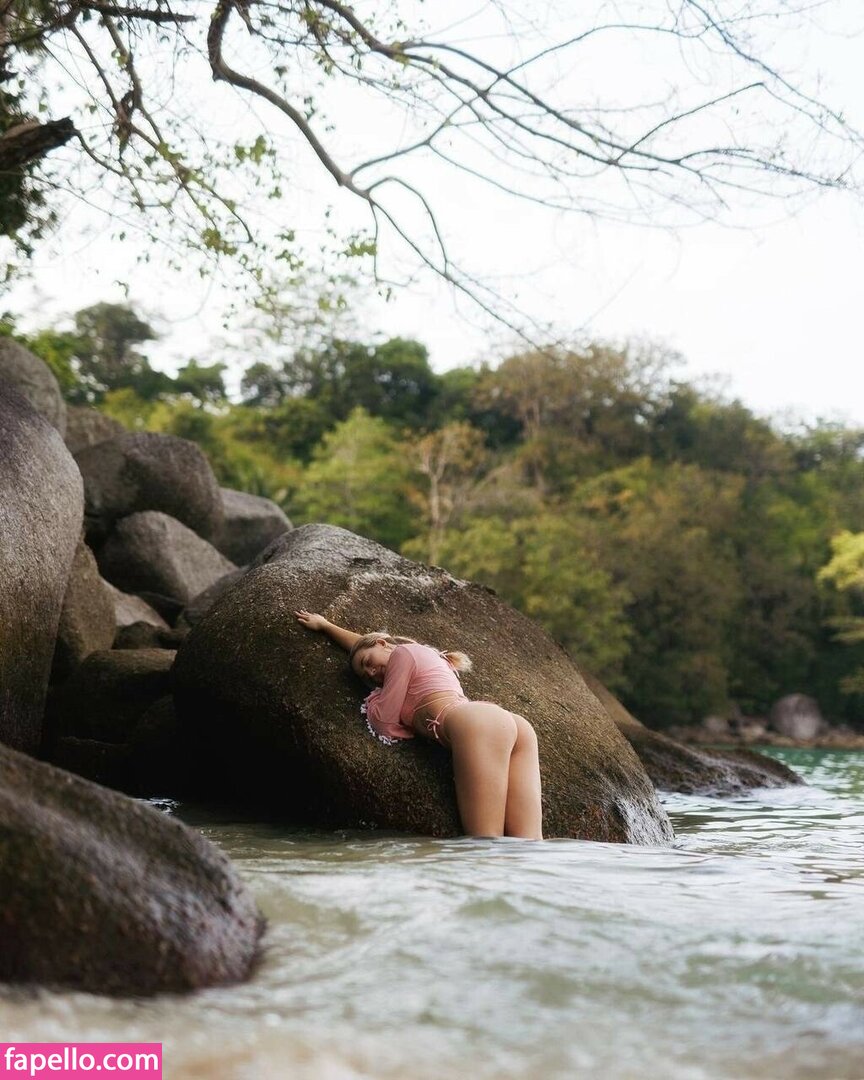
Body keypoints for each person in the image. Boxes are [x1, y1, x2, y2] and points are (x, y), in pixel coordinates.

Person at [295, 610, 543, 839]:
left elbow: (384, 720)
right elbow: (365, 648)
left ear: (383, 643)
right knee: (528, 847)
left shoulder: (402, 654)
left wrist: (378, 700)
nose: (370, 673)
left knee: (485, 843)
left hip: (478, 724)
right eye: (365, 676)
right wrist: (326, 626)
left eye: (367, 663)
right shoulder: (418, 655)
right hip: (513, 726)